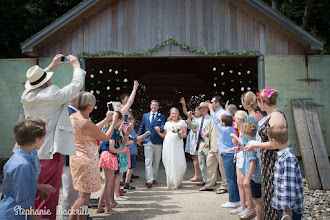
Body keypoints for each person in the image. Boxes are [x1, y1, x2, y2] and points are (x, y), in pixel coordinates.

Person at [21, 54, 85, 219]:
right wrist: (76, 66)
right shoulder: (52, 94)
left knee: (31, 197)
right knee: (47, 200)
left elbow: (33, 85)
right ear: (46, 82)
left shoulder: (26, 97)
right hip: (49, 153)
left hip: (29, 153)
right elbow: (76, 85)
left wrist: (50, 67)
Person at [69, 92, 118, 219]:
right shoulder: (85, 122)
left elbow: (93, 129)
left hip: (77, 157)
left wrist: (106, 119)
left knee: (81, 196)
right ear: (89, 106)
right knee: (84, 198)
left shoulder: (75, 116)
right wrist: (113, 122)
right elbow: (106, 137)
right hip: (86, 160)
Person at [244, 88, 287, 220]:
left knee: (274, 199)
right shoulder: (270, 115)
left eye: (258, 101)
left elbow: (277, 143)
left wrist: (255, 144)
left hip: (275, 163)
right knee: (267, 198)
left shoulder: (276, 116)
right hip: (267, 164)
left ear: (263, 102)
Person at [0, 117, 50, 219]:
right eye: (43, 138)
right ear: (37, 140)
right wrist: (39, 219)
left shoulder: (20, 158)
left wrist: (38, 190)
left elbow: (18, 186)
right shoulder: (23, 165)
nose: (44, 141)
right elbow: (25, 202)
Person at [208, 102, 239, 208]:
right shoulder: (232, 128)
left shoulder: (223, 129)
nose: (220, 123)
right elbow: (228, 118)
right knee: (234, 178)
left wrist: (211, 109)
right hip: (233, 154)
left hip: (226, 155)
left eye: (222, 121)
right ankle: (237, 199)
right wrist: (226, 109)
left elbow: (215, 120)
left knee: (229, 178)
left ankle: (232, 200)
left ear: (224, 123)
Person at [268, 125, 303, 220]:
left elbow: (289, 186)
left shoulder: (287, 159)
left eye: (270, 140)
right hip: (284, 205)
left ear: (274, 141)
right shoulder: (283, 156)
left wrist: (287, 209)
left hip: (289, 209)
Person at [232, 122, 261, 220]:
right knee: (256, 198)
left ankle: (258, 216)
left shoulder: (250, 144)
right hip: (252, 174)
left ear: (246, 133)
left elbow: (253, 162)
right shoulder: (254, 142)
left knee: (257, 199)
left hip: (253, 175)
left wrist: (247, 178)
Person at [199, 96, 228, 193]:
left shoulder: (222, 113)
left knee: (222, 167)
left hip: (219, 144)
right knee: (210, 164)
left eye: (212, 102)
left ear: (217, 103)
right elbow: (214, 128)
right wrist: (208, 137)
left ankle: (224, 186)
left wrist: (220, 144)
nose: (210, 104)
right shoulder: (215, 113)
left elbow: (222, 130)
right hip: (212, 144)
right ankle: (209, 184)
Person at [156, 107, 187, 190]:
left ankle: (178, 180)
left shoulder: (182, 122)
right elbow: (164, 135)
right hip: (168, 145)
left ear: (178, 114)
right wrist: (158, 132)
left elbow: (185, 134)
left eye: (175, 113)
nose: (174, 115)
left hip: (178, 145)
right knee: (170, 163)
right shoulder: (167, 123)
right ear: (170, 114)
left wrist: (181, 135)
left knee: (181, 163)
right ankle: (172, 183)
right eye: (172, 113)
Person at [138, 100, 166, 187]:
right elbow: (142, 127)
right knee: (148, 160)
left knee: (156, 161)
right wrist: (139, 138)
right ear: (150, 106)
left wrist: (160, 128)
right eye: (153, 105)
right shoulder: (145, 116)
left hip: (157, 141)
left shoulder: (161, 116)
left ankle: (154, 178)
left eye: (156, 105)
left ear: (158, 107)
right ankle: (149, 180)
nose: (154, 106)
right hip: (147, 140)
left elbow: (163, 126)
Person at [61, 93, 80, 220]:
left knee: (76, 190)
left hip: (74, 156)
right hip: (68, 156)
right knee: (69, 190)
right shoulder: (69, 113)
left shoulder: (74, 113)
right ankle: (65, 217)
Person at [186, 102, 212, 186]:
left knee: (209, 162)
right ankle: (205, 179)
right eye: (201, 108)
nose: (202, 110)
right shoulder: (199, 119)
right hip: (200, 142)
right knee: (201, 162)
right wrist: (189, 118)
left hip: (207, 142)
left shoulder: (211, 118)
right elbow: (191, 127)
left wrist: (209, 140)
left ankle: (211, 181)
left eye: (204, 108)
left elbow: (214, 131)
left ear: (207, 109)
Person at [228, 110, 248, 215]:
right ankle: (242, 205)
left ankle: (245, 206)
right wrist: (235, 147)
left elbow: (245, 144)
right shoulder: (240, 129)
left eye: (235, 119)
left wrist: (235, 137)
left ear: (239, 119)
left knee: (242, 182)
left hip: (243, 156)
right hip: (238, 154)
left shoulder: (245, 129)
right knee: (239, 182)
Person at [124, 115, 151, 190]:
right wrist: (146, 134)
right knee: (131, 168)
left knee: (125, 167)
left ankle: (124, 182)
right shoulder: (130, 129)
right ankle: (126, 183)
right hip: (131, 151)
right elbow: (137, 139)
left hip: (126, 151)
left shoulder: (123, 128)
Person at [180, 97, 202, 182]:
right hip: (192, 139)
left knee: (197, 157)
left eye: (198, 110)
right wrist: (183, 104)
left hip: (197, 139)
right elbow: (185, 112)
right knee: (194, 157)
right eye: (195, 110)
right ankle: (197, 174)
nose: (196, 112)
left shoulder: (201, 119)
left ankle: (198, 175)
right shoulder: (193, 117)